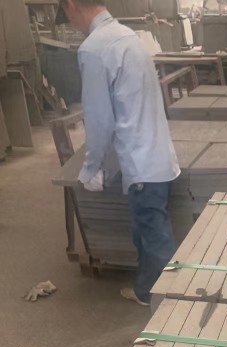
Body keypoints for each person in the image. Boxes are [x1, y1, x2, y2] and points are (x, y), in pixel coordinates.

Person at [56, 0, 180, 306]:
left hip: (142, 162)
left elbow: (100, 119)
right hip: (156, 152)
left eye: (67, 16)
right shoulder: (129, 37)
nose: (72, 24)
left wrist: (92, 168)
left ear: (71, 5)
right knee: (146, 230)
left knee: (155, 237)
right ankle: (145, 291)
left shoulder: (94, 48)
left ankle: (173, 306)